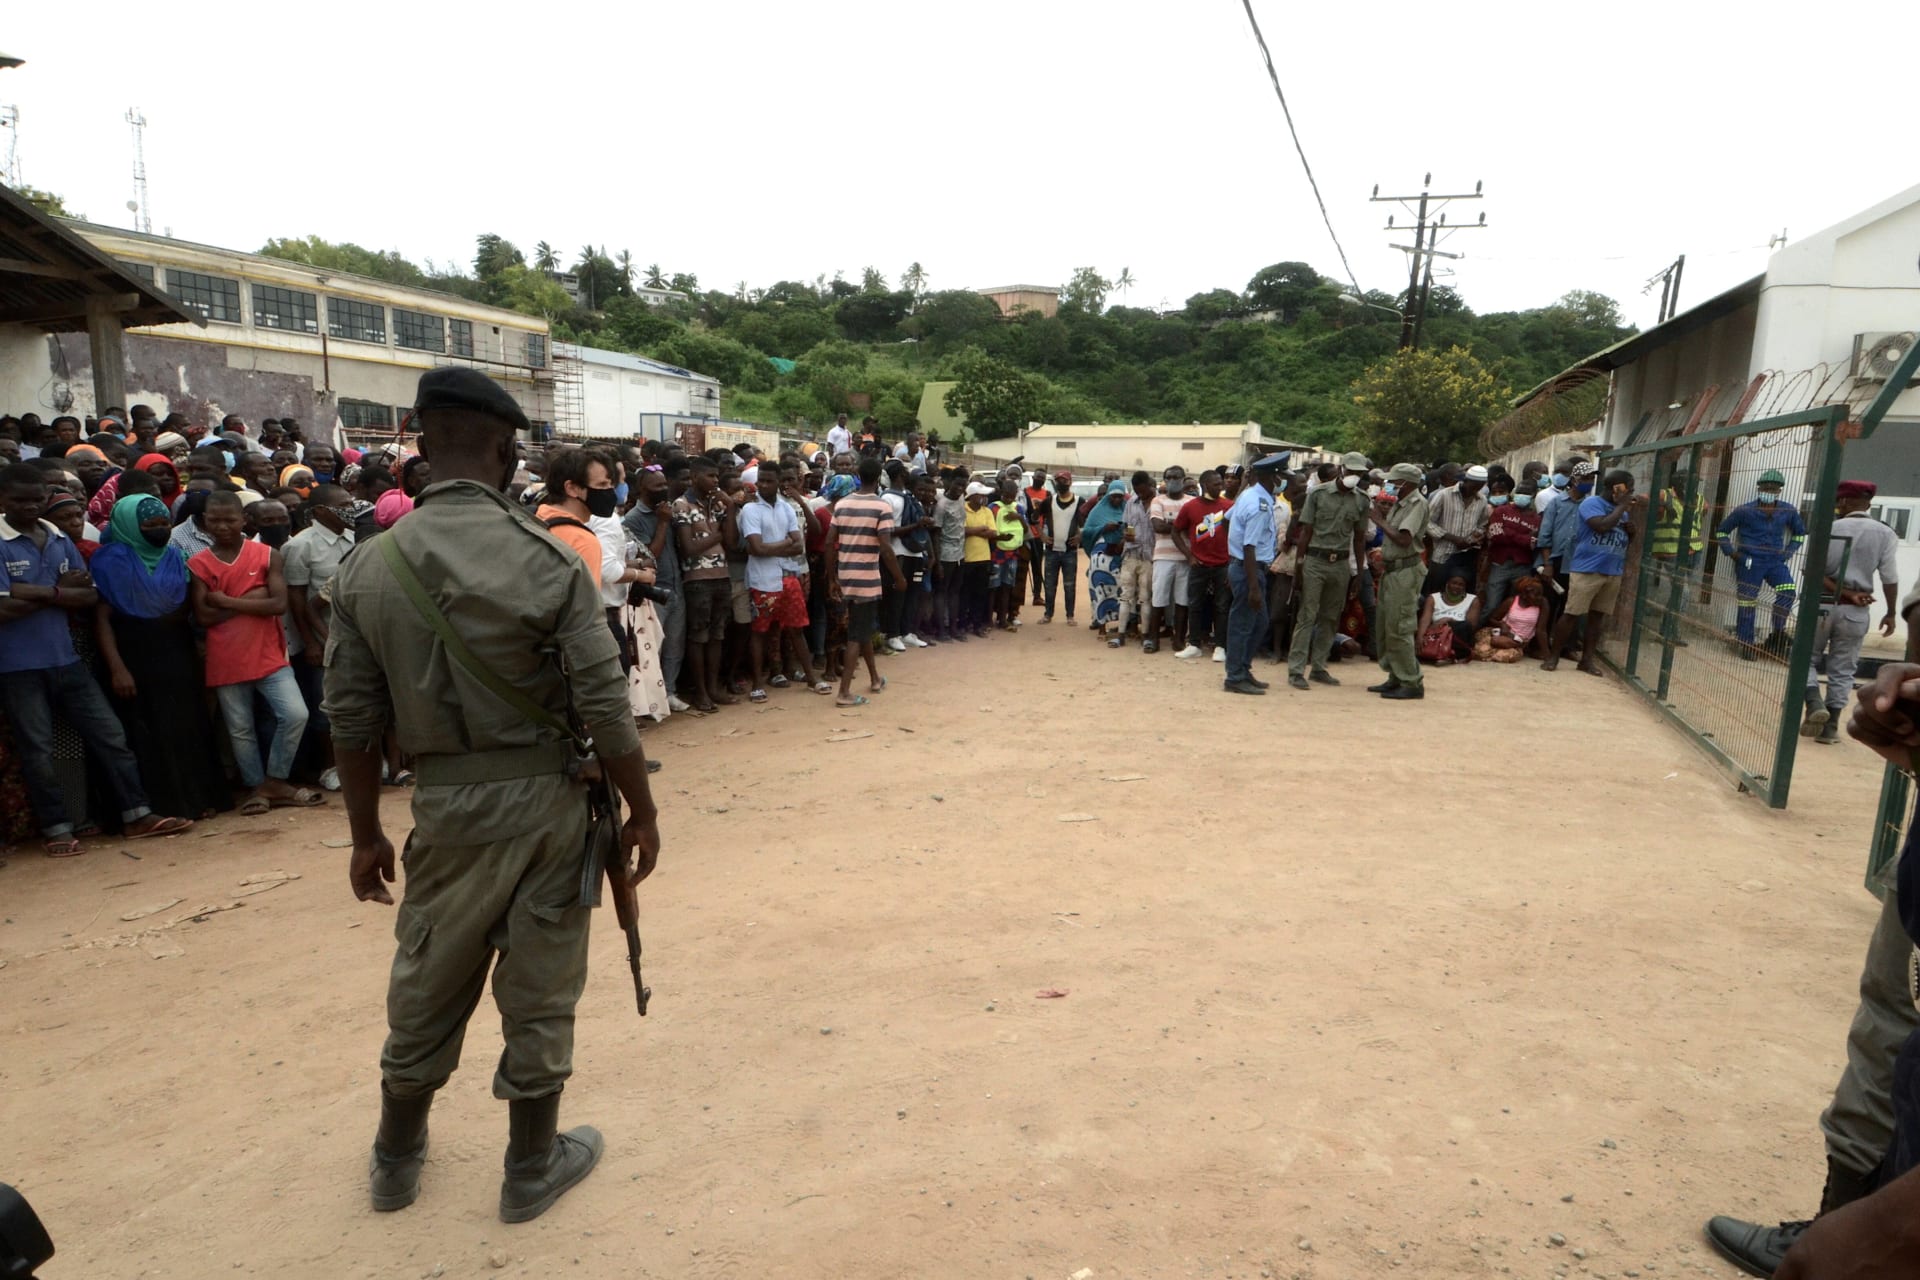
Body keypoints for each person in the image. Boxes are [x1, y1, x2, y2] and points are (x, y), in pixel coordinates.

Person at [322, 367, 660, 1223]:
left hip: (442, 805)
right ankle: (529, 1168)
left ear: (418, 442)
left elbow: (352, 724)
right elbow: (605, 706)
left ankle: (396, 1160)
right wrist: (641, 811)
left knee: (428, 972)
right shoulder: (547, 559)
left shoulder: (368, 565)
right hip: (546, 802)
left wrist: (364, 836)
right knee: (541, 981)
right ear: (509, 451)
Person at [0, 465, 196, 856]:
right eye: (19, 500)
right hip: (16, 665)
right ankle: (57, 828)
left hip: (66, 658)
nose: (29, 506)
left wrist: (31, 593)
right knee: (38, 750)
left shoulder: (57, 537)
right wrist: (58, 593)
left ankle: (136, 814)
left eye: (35, 499)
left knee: (110, 736)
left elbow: (87, 597)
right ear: (3, 500)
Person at [90, 494, 233, 820]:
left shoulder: (176, 555)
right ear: (129, 526)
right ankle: (158, 807)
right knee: (147, 732)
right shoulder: (110, 561)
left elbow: (188, 610)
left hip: (176, 652)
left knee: (187, 726)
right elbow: (102, 621)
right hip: (133, 656)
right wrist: (117, 668)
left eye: (163, 523)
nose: (159, 529)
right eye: (149, 525)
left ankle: (198, 800)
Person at [188, 490, 317, 814]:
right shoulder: (198, 563)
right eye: (214, 520)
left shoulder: (267, 554)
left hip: (269, 654)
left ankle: (273, 780)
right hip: (226, 657)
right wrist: (254, 599)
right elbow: (203, 616)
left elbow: (277, 604)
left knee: (295, 714)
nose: (222, 526)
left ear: (244, 520)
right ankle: (258, 786)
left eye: (229, 519)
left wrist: (227, 600)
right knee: (240, 729)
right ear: (204, 524)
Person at [1803, 480, 1899, 743]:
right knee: (1843, 668)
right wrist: (1890, 612)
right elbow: (1890, 577)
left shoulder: (1827, 529)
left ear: (1843, 502)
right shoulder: (1885, 533)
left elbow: (1811, 571)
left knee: (1805, 659)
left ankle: (1814, 703)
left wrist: (1842, 591)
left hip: (1820, 605)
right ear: (1868, 504)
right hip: (1856, 611)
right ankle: (1831, 726)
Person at [1543, 467, 1643, 676]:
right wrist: (1622, 508)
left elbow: (1621, 539)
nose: (1631, 493)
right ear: (1617, 488)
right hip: (1588, 568)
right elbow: (1601, 526)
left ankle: (1587, 660)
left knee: (1597, 617)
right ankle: (1553, 656)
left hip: (1611, 570)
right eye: (1629, 488)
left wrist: (1631, 533)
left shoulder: (1621, 512)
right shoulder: (1592, 504)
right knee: (1572, 613)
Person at [1286, 451, 1372, 691]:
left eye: (1359, 473)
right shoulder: (1318, 494)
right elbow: (1306, 533)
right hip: (1315, 560)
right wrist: (1299, 567)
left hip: (1341, 563)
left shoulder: (1362, 500)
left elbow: (1359, 539)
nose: (1355, 476)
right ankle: (1296, 670)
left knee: (1331, 617)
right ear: (1342, 469)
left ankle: (1319, 667)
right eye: (1352, 471)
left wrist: (1359, 573)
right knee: (1307, 616)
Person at [825, 457, 906, 707]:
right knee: (856, 634)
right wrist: (899, 577)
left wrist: (832, 577)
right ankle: (844, 693)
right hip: (866, 579)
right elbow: (886, 548)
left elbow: (830, 542)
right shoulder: (881, 507)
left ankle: (874, 678)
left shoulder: (842, 504)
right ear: (879, 476)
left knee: (863, 628)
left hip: (846, 575)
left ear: (858, 475)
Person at [1717, 467, 1808, 659]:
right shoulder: (1744, 510)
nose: (1769, 491)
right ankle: (1746, 644)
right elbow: (1721, 532)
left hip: (1775, 561)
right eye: (1766, 487)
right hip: (1749, 561)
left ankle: (1777, 633)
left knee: (1788, 591)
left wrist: (1788, 553)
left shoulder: (1787, 510)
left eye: (1773, 488)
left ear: (1779, 491)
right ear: (1759, 488)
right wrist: (1732, 554)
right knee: (1747, 601)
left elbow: (1800, 533)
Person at [673, 456, 737, 712]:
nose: (715, 481)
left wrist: (731, 507)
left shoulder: (718, 504)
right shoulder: (681, 505)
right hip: (697, 579)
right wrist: (718, 534)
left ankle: (712, 688)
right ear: (695, 476)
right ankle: (700, 692)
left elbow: (731, 543)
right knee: (699, 637)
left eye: (716, 477)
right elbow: (689, 548)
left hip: (721, 576)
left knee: (717, 636)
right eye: (710, 476)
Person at [1222, 454, 1286, 695]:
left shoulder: (1251, 495)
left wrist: (1234, 550)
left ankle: (1242, 669)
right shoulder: (1258, 502)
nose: (1282, 480)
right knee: (1243, 625)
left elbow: (1227, 522)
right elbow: (1249, 546)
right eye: (1281, 475)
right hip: (1249, 570)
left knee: (1258, 624)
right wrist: (1253, 586)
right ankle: (1235, 677)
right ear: (1271, 476)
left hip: (1244, 567)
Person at [1369, 463, 1431, 700]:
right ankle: (1395, 675)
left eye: (1394, 481)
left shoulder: (1416, 504)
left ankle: (1411, 681)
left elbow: (1404, 539)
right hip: (1393, 571)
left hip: (1406, 572)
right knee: (1387, 624)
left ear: (1406, 483)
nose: (1390, 485)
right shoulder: (1401, 504)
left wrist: (1379, 520)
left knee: (1400, 626)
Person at [1175, 469, 1233, 661]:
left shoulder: (1228, 506)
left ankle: (1221, 646)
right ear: (1205, 485)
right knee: (1195, 604)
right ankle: (1194, 644)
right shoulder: (1190, 507)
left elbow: (1237, 534)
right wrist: (1188, 555)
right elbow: (1176, 531)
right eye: (1216, 484)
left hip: (1223, 564)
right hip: (1198, 564)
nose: (1221, 486)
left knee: (1222, 606)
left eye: (1221, 483)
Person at [1476, 475, 1541, 623]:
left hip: (1523, 566)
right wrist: (1523, 538)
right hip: (1500, 564)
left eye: (1526, 494)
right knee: (1491, 605)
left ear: (1533, 496)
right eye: (1520, 493)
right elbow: (1496, 535)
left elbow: (1533, 543)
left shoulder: (1536, 519)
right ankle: (1474, 635)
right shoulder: (1502, 511)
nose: (1522, 496)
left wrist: (1509, 533)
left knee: (1516, 605)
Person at [1424, 463, 1490, 594]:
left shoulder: (1481, 500)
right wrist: (1453, 538)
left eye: (1480, 486)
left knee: (1463, 593)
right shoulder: (1444, 495)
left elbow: (1482, 525)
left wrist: (1472, 539)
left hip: (1467, 555)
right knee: (1437, 591)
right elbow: (1427, 522)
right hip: (1443, 554)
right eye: (1473, 486)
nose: (1475, 490)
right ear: (1465, 481)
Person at [1147, 466, 1192, 656]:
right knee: (1159, 599)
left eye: (1176, 477)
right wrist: (1182, 525)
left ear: (1183, 479)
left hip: (1186, 558)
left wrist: (1172, 524)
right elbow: (1158, 526)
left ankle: (1179, 639)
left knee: (1183, 600)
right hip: (1163, 557)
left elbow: (1197, 527)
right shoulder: (1158, 501)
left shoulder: (1192, 502)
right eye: (1169, 477)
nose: (1173, 480)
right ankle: (1153, 639)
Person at [1110, 471, 1156, 647]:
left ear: (1150, 486)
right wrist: (1127, 536)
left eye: (1143, 491)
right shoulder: (1131, 502)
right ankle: (1121, 634)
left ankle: (1145, 635)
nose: (1140, 494)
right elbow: (1127, 526)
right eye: (1137, 491)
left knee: (1145, 597)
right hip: (1131, 555)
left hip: (1149, 557)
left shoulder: (1158, 502)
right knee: (1126, 596)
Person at [1080, 479, 1128, 639]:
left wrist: (1124, 534)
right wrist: (1104, 528)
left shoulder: (1127, 510)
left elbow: (1133, 528)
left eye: (1120, 497)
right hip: (1100, 557)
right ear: (1108, 496)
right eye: (1113, 496)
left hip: (1119, 555)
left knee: (1121, 590)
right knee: (1100, 589)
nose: (1116, 500)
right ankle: (1101, 626)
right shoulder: (1097, 511)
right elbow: (1086, 532)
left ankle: (1122, 626)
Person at [1472, 576, 1550, 663]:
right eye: (1536, 594)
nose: (1539, 597)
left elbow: (1541, 630)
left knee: (1504, 654)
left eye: (1541, 594)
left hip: (1519, 640)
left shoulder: (1542, 603)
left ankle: (1508, 647)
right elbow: (1492, 619)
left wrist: (1547, 655)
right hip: (1503, 633)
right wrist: (1502, 625)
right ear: (1524, 594)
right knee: (1489, 642)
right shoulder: (1511, 601)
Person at [1416, 571, 1481, 664]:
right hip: (1436, 633)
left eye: (1461, 584)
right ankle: (1434, 654)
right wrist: (1420, 636)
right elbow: (1425, 619)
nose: (1457, 586)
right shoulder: (1433, 598)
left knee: (1464, 626)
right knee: (1417, 632)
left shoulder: (1472, 599)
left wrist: (1448, 620)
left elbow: (1472, 625)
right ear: (1447, 583)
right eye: (1454, 583)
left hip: (1457, 637)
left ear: (1465, 587)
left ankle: (1451, 656)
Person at [989, 472, 1027, 631]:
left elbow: (1025, 530)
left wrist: (1019, 517)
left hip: (1012, 553)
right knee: (993, 587)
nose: (1008, 499)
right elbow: (989, 531)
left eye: (1011, 496)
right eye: (1006, 496)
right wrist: (999, 538)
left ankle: (1003, 618)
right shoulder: (993, 507)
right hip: (996, 553)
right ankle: (987, 618)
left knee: (1007, 587)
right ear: (1001, 493)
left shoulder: (1019, 508)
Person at [961, 481, 999, 637]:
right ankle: (963, 624)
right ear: (972, 496)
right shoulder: (963, 509)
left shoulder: (987, 511)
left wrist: (973, 531)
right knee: (965, 594)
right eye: (981, 495)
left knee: (980, 593)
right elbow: (962, 531)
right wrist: (981, 529)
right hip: (966, 558)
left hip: (983, 558)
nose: (984, 498)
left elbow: (993, 533)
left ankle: (977, 625)